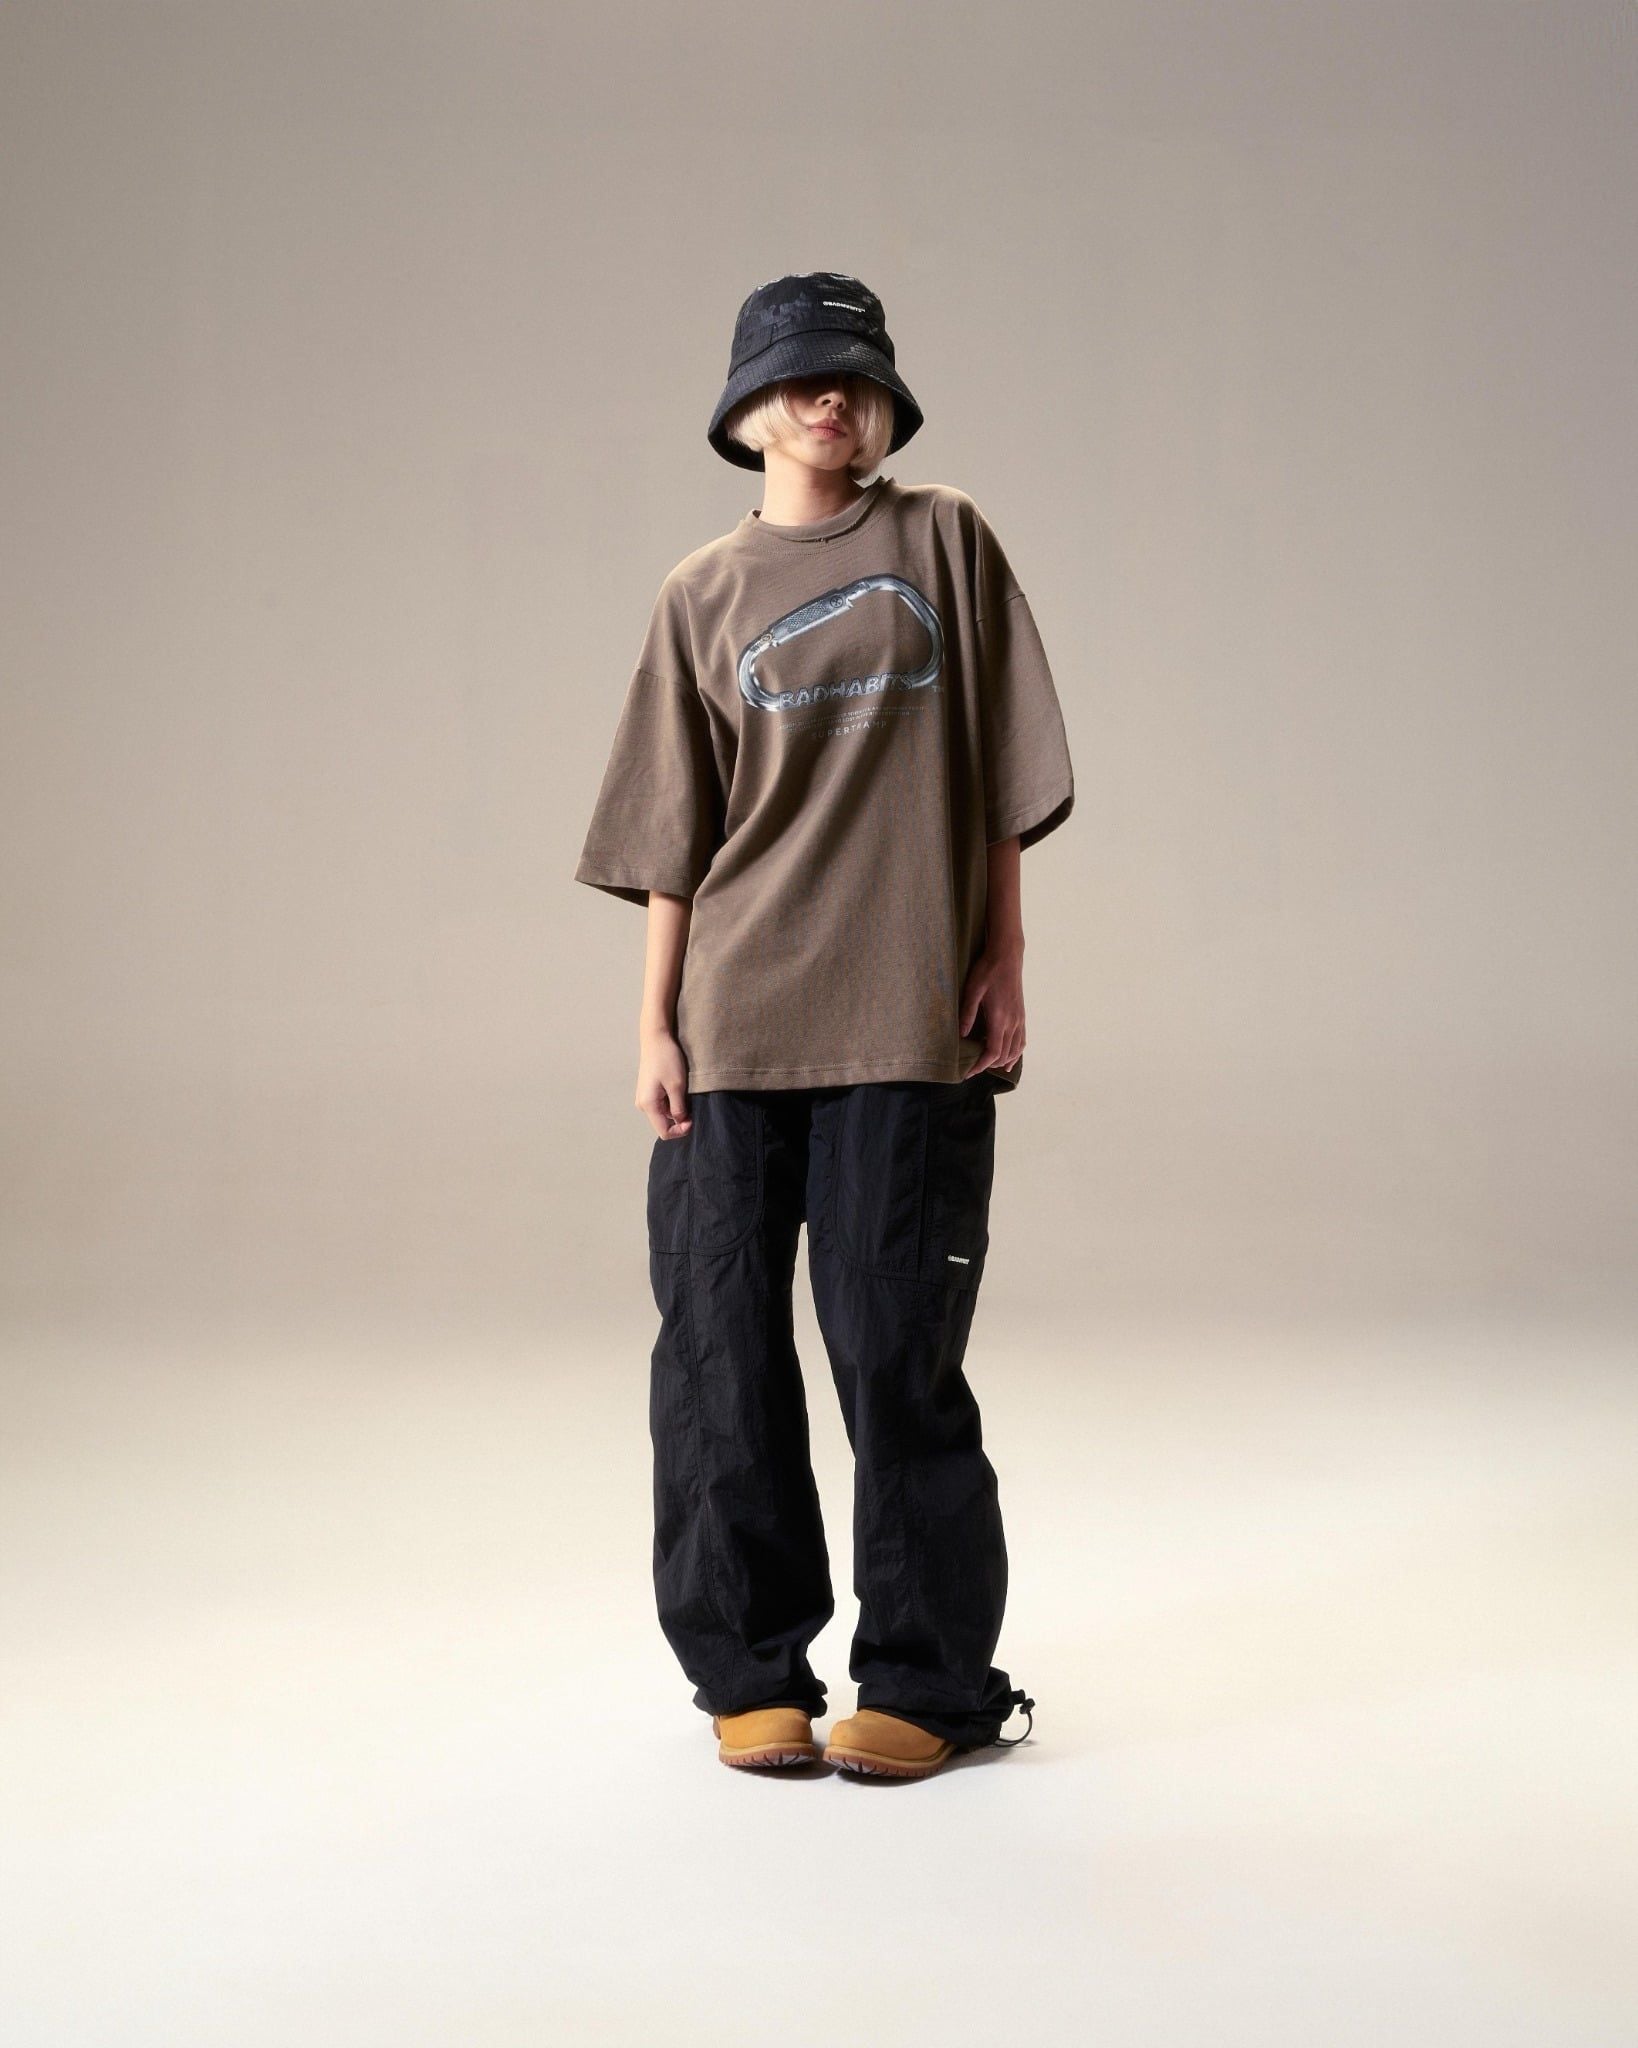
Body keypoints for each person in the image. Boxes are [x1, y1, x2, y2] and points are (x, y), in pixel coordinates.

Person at [572, 271, 1073, 1780]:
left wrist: (1003, 955)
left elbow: (998, 767)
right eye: (799, 378)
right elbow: (674, 834)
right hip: (733, 1022)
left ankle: (926, 1682)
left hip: (903, 1017)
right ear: (746, 410)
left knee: (894, 1352)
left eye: (853, 377)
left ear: (883, 403)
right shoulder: (700, 592)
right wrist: (654, 1027)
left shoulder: (946, 538)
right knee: (718, 1356)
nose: (829, 399)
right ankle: (750, 1671)